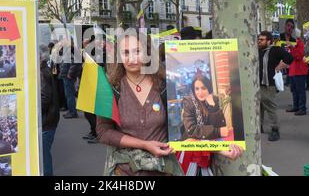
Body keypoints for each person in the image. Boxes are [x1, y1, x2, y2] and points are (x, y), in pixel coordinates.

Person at [96, 33, 242, 176]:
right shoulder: (110, 89)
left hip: (164, 170)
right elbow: (103, 132)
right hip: (124, 171)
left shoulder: (164, 86)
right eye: (126, 52)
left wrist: (221, 148)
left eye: (137, 51)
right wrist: (144, 144)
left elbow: (183, 132)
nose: (132, 58)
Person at [258, 31, 293, 141]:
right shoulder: (257, 50)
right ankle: (259, 127)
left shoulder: (275, 50)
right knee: (258, 108)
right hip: (256, 85)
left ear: (269, 41)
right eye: (258, 39)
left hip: (269, 85)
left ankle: (275, 130)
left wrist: (279, 67)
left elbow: (289, 58)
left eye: (262, 39)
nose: (259, 41)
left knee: (270, 108)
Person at [182, 75, 231, 141]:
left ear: (209, 88)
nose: (200, 92)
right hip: (193, 143)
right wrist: (217, 132)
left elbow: (221, 125)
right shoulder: (189, 102)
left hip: (212, 140)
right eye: (197, 89)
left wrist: (212, 106)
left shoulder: (214, 99)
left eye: (204, 88)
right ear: (193, 90)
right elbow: (191, 129)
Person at [40, 45, 60, 175]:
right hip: (49, 119)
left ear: (41, 57)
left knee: (44, 155)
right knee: (44, 154)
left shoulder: (42, 73)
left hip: (46, 121)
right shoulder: (44, 70)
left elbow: (45, 99)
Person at [59, 39, 82, 118]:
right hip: (66, 74)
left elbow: (78, 62)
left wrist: (70, 73)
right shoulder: (68, 49)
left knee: (69, 94)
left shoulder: (73, 49)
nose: (61, 42)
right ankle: (71, 110)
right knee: (68, 94)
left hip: (68, 75)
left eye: (63, 41)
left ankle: (73, 112)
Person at [286, 37, 309, 115]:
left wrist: (291, 47)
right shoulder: (293, 43)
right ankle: (296, 106)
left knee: (300, 90)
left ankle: (302, 108)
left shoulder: (299, 43)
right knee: (294, 90)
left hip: (299, 70)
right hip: (293, 70)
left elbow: (298, 56)